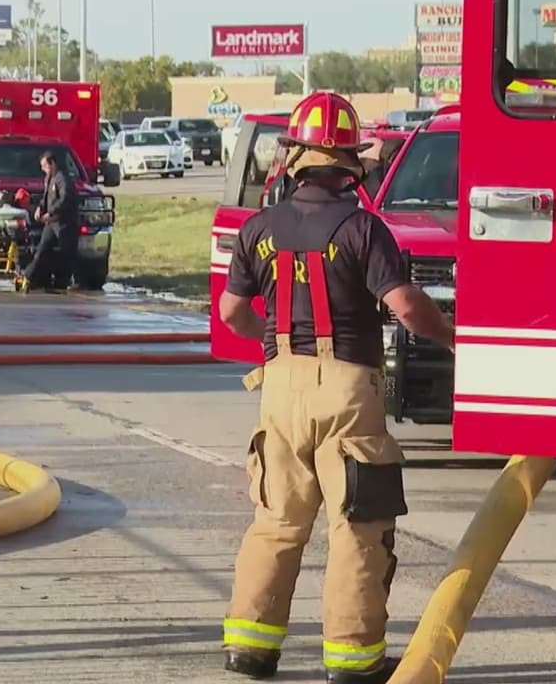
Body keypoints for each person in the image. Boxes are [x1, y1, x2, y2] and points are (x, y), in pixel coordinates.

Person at [216, 92, 455, 684]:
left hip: (280, 390)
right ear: (349, 160)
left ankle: (250, 650)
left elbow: (230, 312)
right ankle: (352, 662)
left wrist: (274, 348)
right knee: (356, 532)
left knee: (275, 524)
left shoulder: (258, 228)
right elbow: (404, 304)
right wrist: (452, 339)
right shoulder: (361, 228)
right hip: (348, 395)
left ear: (295, 155)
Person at [21, 151, 79, 292]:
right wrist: (40, 208)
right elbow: (46, 198)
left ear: (53, 164)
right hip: (51, 223)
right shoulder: (49, 178)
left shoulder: (62, 179)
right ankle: (29, 276)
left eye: (45, 165)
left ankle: (63, 280)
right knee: (42, 249)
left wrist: (52, 213)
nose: (43, 169)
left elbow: (65, 199)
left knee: (66, 252)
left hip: (64, 222)